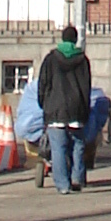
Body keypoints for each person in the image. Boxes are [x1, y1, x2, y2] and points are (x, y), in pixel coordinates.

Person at [37, 25, 95, 193]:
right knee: (77, 144)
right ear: (75, 39)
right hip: (76, 108)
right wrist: (85, 109)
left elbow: (43, 84)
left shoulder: (50, 59)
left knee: (58, 147)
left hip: (55, 109)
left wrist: (44, 104)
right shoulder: (83, 60)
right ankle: (77, 178)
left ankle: (62, 185)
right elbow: (86, 87)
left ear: (62, 39)